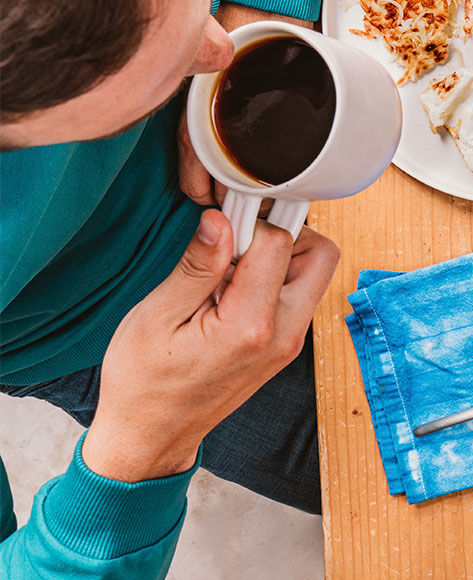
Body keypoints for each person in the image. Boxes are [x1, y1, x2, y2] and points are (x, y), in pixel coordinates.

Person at [0, 0, 338, 575]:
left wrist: (262, 17)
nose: (216, 52)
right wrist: (144, 448)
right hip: (103, 344)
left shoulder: (212, 42)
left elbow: (218, 43)